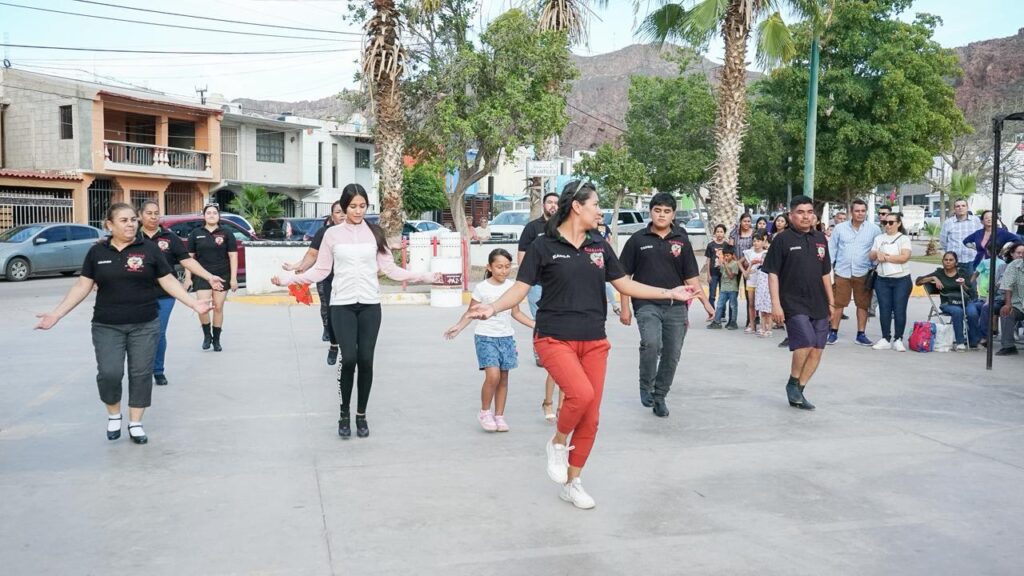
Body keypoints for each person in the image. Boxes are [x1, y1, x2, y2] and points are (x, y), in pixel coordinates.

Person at [469, 180, 699, 509]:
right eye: (595, 205)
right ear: (577, 206)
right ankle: (558, 442)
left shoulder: (599, 245)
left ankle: (572, 482)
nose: (600, 210)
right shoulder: (543, 245)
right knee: (581, 394)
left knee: (590, 417)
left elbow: (624, 284)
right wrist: (492, 307)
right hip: (554, 337)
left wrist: (671, 292)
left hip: (594, 340)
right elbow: (521, 289)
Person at [35, 203, 211, 444]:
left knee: (140, 373)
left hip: (145, 323)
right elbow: (82, 286)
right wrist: (57, 314)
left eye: (132, 220)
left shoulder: (148, 249)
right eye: (124, 220)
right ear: (109, 225)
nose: (131, 224)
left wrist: (192, 303)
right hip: (107, 324)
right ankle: (114, 415)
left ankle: (136, 422)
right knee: (110, 372)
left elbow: (168, 280)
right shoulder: (97, 253)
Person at [272, 184, 437, 438]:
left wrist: (425, 276)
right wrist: (288, 280)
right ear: (344, 206)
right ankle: (343, 413)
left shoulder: (375, 233)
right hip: (342, 305)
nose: (358, 211)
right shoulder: (332, 235)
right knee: (348, 359)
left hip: (370, 305)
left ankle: (361, 414)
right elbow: (322, 271)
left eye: (362, 206)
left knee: (366, 360)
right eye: (353, 207)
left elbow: (390, 270)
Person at [618, 193, 714, 417]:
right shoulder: (637, 240)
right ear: (650, 212)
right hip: (646, 304)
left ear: (673, 214)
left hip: (676, 306)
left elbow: (691, 277)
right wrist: (625, 307)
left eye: (667, 211)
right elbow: (624, 276)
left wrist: (706, 304)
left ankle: (660, 396)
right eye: (657, 210)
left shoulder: (681, 240)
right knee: (651, 343)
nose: (661, 215)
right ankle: (646, 387)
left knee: (672, 353)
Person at [444, 249, 535, 431]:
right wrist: (459, 326)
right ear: (489, 267)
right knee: (492, 375)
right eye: (499, 266)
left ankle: (499, 416)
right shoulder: (482, 287)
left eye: (507, 267)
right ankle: (485, 412)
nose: (503, 270)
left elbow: (516, 313)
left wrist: (536, 325)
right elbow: (471, 312)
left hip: (506, 337)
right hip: (486, 337)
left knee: (503, 378)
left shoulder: (512, 287)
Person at [138, 200, 224, 386]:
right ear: (140, 215)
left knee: (158, 332)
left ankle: (158, 370)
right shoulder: (133, 237)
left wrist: (209, 276)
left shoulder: (169, 238)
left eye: (156, 213)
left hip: (165, 294)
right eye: (149, 213)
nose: (153, 217)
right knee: (139, 334)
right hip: (136, 295)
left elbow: (187, 260)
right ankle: (140, 369)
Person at [764, 195, 835, 411]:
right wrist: (775, 304)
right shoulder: (782, 240)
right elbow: (772, 273)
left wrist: (832, 302)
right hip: (793, 302)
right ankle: (793, 382)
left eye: (809, 212)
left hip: (819, 302)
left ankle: (799, 390)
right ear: (791, 215)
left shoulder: (820, 239)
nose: (806, 216)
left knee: (817, 348)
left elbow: (825, 273)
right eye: (800, 212)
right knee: (805, 341)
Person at [283, 201, 344, 365]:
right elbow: (312, 254)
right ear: (332, 215)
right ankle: (333, 345)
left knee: (347, 314)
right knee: (330, 311)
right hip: (327, 278)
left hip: (349, 281)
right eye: (338, 212)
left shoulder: (357, 234)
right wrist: (298, 266)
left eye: (345, 211)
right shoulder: (323, 233)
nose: (343, 215)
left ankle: (348, 347)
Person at [518, 191, 561, 419]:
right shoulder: (532, 228)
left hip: (556, 284)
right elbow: (522, 256)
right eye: (550, 202)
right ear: (543, 205)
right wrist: (528, 278)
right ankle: (540, 351)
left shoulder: (565, 227)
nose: (553, 206)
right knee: (540, 320)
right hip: (536, 284)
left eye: (556, 203)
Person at [827, 199, 880, 346]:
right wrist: (829, 270)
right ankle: (833, 332)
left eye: (863, 211)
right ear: (851, 212)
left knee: (862, 305)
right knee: (838, 304)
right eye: (857, 211)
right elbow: (832, 249)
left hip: (863, 272)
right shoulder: (840, 228)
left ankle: (861, 334)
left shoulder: (874, 229)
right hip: (842, 272)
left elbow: (877, 249)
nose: (860, 214)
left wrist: (874, 267)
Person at [186, 204, 238, 352]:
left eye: (214, 213)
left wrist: (233, 278)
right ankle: (207, 336)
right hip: (202, 276)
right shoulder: (195, 233)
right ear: (204, 216)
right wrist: (188, 277)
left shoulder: (227, 233)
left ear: (218, 216)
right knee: (203, 308)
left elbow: (233, 256)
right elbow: (189, 258)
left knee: (218, 307)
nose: (211, 215)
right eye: (208, 213)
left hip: (222, 275)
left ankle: (216, 339)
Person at [915, 252, 983, 351]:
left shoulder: (962, 272)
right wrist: (933, 278)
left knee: (972, 313)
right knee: (958, 312)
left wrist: (963, 285)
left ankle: (973, 342)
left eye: (951, 260)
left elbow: (971, 291)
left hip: (964, 301)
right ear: (942, 261)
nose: (948, 262)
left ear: (956, 262)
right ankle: (959, 342)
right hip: (948, 303)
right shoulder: (939, 273)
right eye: (946, 260)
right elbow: (918, 281)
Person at [869, 212, 913, 351]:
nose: (887, 225)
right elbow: (871, 255)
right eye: (885, 223)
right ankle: (885, 338)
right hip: (882, 279)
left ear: (898, 223)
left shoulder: (904, 239)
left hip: (901, 279)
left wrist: (886, 257)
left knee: (899, 310)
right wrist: (877, 254)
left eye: (891, 222)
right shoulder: (879, 238)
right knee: (884, 309)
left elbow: (904, 257)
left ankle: (898, 338)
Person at [996, 245, 1024, 356]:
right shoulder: (1013, 265)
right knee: (1006, 312)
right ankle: (1008, 346)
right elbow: (1007, 284)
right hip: (1018, 304)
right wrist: (1008, 304)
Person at [939, 200, 981, 273]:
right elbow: (943, 242)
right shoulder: (948, 223)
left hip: (972, 260)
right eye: (957, 206)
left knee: (971, 284)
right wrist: (951, 253)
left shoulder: (976, 221)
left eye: (963, 206)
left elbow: (982, 238)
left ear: (967, 208)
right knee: (952, 284)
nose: (960, 208)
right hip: (954, 262)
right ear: (954, 209)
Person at [739, 231, 768, 334]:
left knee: (760, 305)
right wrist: (745, 272)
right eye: (754, 241)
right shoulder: (749, 253)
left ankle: (763, 326)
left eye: (758, 241)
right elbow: (739, 262)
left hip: (762, 282)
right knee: (751, 304)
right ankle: (752, 325)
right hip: (751, 281)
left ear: (763, 242)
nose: (756, 243)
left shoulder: (765, 253)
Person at [708, 248, 740, 329]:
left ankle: (733, 322)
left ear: (732, 256)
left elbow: (731, 276)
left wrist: (725, 264)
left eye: (728, 255)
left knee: (733, 306)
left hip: (732, 289)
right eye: (725, 255)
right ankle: (717, 322)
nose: (726, 257)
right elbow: (722, 274)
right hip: (724, 289)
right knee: (719, 305)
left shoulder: (735, 264)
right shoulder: (723, 264)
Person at [752, 231, 775, 337]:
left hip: (769, 291)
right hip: (761, 290)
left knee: (769, 312)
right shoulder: (760, 269)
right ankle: (762, 327)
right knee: (762, 311)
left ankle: (769, 329)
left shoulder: (772, 272)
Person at [705, 224, 729, 309]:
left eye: (721, 232)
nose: (719, 234)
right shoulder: (710, 245)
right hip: (713, 274)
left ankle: (722, 314)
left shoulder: (726, 245)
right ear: (715, 233)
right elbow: (708, 261)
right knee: (712, 295)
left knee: (723, 295)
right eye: (717, 232)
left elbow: (729, 260)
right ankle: (712, 313)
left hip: (723, 274)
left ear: (724, 233)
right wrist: (708, 275)